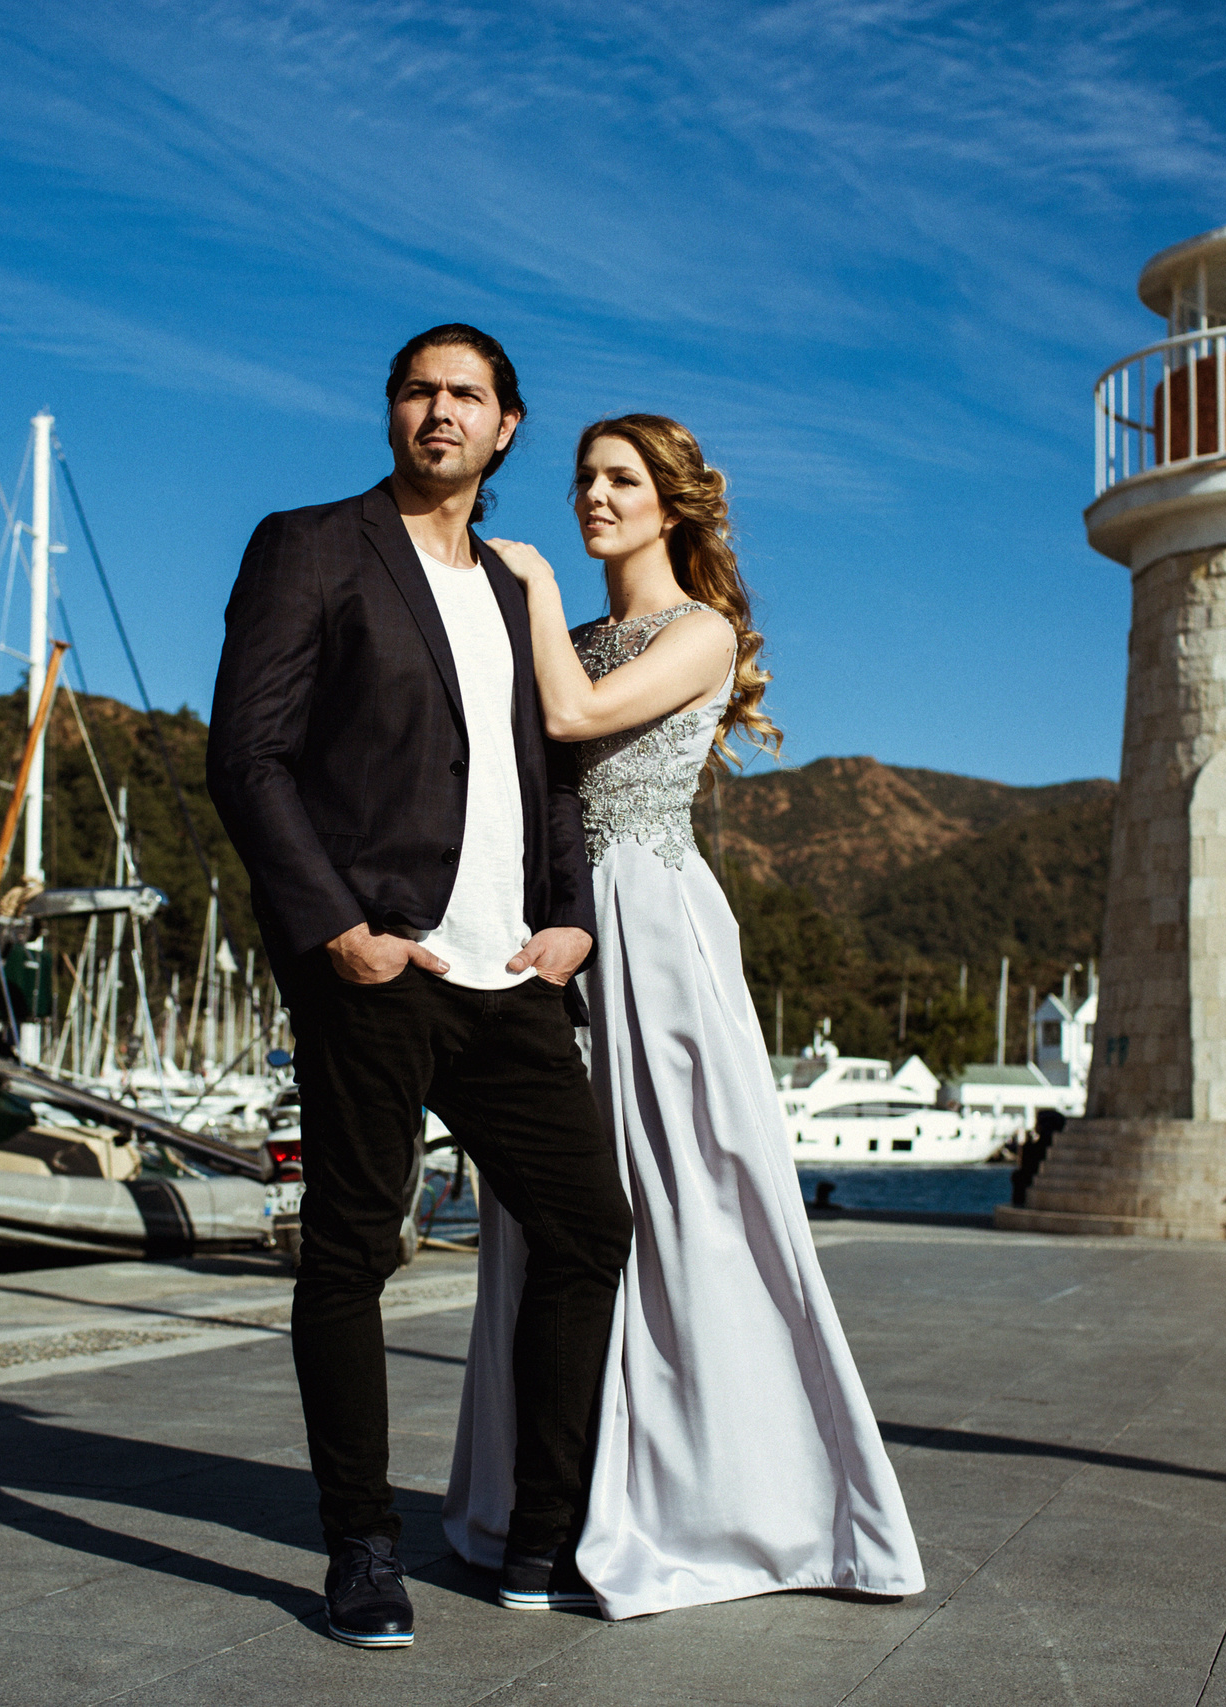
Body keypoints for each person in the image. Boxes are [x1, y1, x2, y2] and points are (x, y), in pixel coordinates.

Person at [205, 325, 633, 1650]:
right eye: (417, 389)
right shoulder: (312, 545)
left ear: (508, 427)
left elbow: (551, 773)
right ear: (392, 412)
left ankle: (538, 1540)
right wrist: (338, 932)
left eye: (467, 394)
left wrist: (568, 922)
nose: (438, 409)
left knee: (586, 1231)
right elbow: (249, 755)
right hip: (380, 966)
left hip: (511, 976)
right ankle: (362, 1547)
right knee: (351, 1248)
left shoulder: (520, 588)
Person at [455, 413, 924, 1619]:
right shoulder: (575, 635)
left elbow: (563, 725)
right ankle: (542, 1497)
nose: (593, 496)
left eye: (620, 479)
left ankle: (710, 1500)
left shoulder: (700, 632)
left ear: (673, 502)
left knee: (685, 1201)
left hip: (652, 929)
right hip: (552, 929)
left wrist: (532, 584)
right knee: (552, 1214)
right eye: (583, 480)